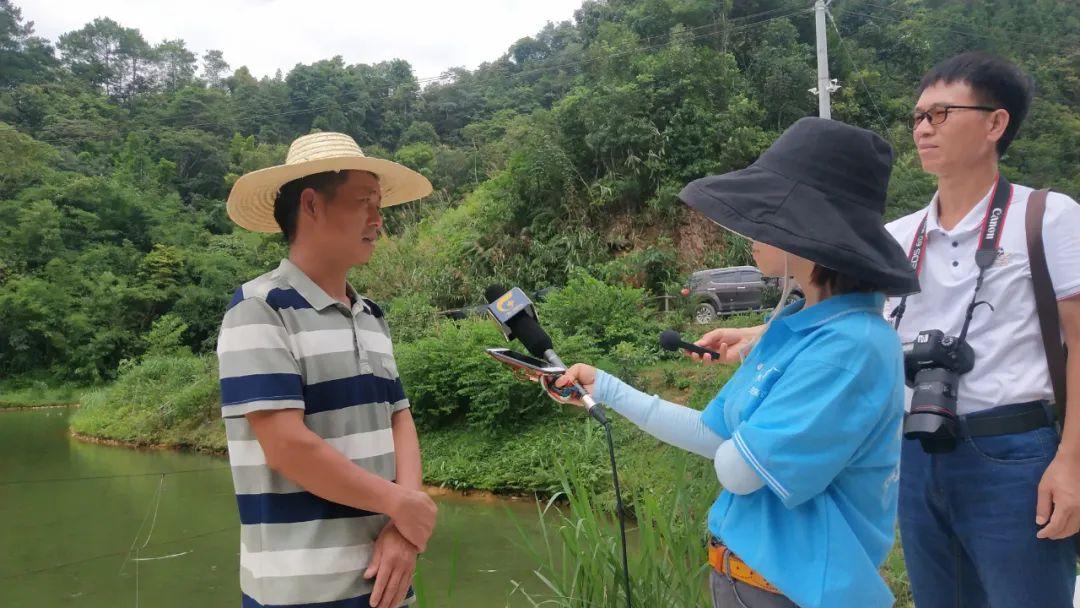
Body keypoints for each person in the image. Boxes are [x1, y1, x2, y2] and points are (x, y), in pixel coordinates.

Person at [557, 117, 917, 608]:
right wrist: (608, 387)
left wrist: (742, 438)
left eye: (764, 217)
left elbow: (737, 470)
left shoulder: (851, 348)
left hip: (797, 592)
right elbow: (713, 435)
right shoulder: (792, 326)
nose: (749, 231)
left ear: (805, 232)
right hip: (741, 577)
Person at [216, 132, 436, 608]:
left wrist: (404, 526)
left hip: (387, 582)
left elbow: (399, 417)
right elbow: (287, 446)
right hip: (300, 592)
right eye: (364, 203)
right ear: (311, 205)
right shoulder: (259, 308)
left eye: (379, 206)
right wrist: (399, 503)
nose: (378, 221)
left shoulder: (370, 315)